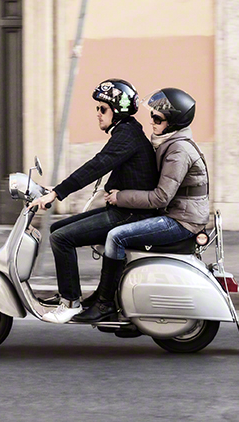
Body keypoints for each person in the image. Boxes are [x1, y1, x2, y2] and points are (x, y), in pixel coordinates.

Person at [73, 87, 210, 323]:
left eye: (158, 119)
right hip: (178, 214)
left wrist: (121, 197)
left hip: (181, 221)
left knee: (116, 236)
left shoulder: (178, 150)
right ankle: (106, 296)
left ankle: (105, 304)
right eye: (152, 117)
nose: (152, 122)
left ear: (174, 123)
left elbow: (160, 198)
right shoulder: (169, 143)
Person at [28, 79, 159, 324]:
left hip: (131, 215)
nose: (97, 114)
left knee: (60, 238)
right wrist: (53, 189)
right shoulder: (126, 131)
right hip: (124, 209)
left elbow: (96, 166)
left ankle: (70, 303)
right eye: (97, 108)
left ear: (117, 110)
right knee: (57, 228)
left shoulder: (127, 135)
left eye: (102, 109)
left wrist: (57, 194)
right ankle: (82, 295)